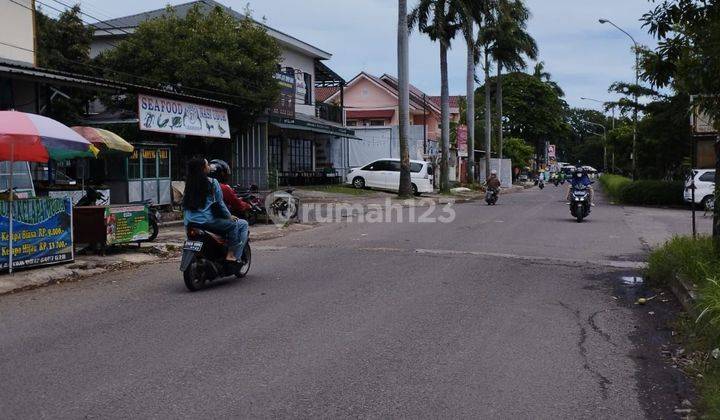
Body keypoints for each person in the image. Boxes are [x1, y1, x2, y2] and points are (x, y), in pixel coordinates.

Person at [183, 157, 249, 263]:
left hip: (189, 222)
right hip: (207, 221)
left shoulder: (189, 184)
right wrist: (229, 216)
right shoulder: (213, 182)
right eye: (207, 165)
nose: (209, 167)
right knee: (234, 225)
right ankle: (231, 254)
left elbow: (184, 204)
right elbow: (219, 203)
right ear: (203, 169)